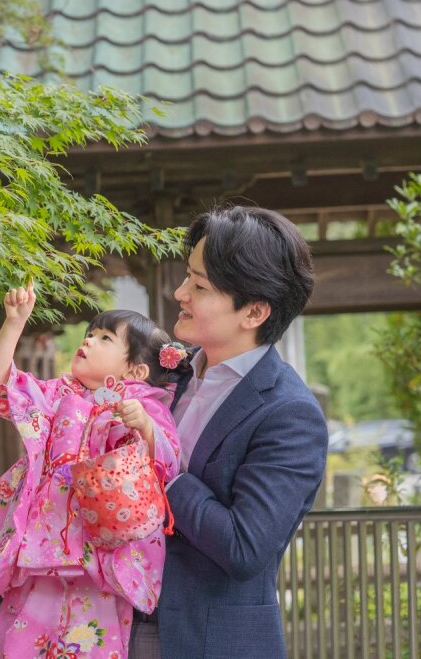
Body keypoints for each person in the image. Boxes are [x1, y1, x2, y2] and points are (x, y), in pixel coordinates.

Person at [130, 205, 329, 659]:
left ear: (254, 311)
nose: (180, 292)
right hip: (119, 624)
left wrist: (167, 471)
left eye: (199, 286)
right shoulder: (166, 376)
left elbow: (243, 546)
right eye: (187, 276)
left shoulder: (289, 414)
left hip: (209, 640)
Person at [0, 284, 183, 658]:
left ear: (135, 369)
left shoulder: (143, 405)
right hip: (40, 550)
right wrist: (14, 323)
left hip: (99, 557)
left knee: (92, 647)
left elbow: (167, 463)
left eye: (104, 337)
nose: (88, 341)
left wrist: (146, 427)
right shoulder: (59, 395)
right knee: (22, 644)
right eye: (89, 333)